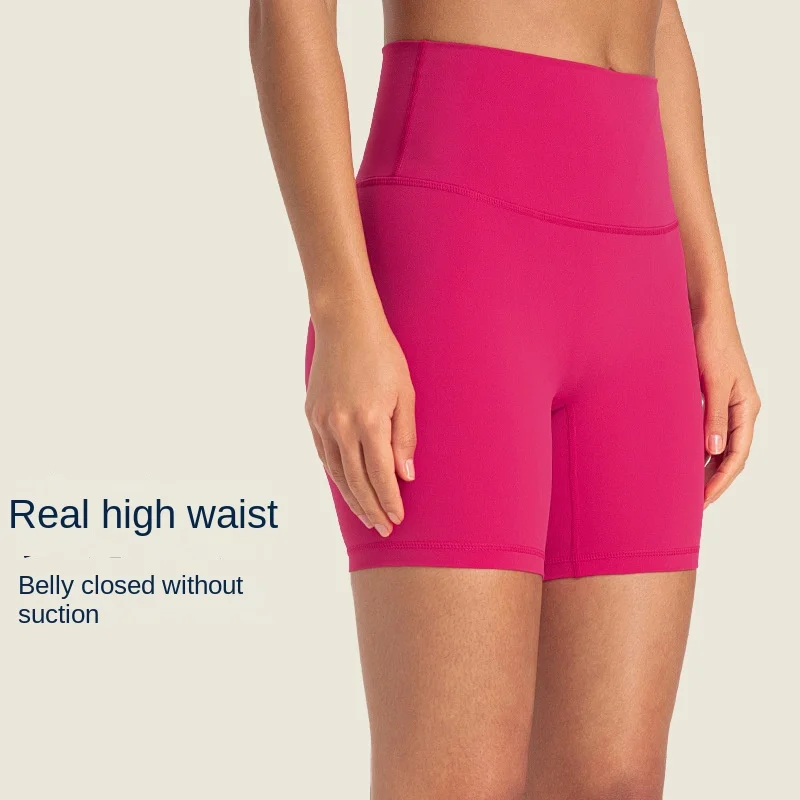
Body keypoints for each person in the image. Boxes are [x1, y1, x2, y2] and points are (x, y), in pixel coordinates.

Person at [249, 1, 760, 797]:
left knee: (617, 783)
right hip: (457, 252)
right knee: (454, 780)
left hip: (642, 275)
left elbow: (659, 18)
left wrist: (711, 300)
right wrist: (342, 308)